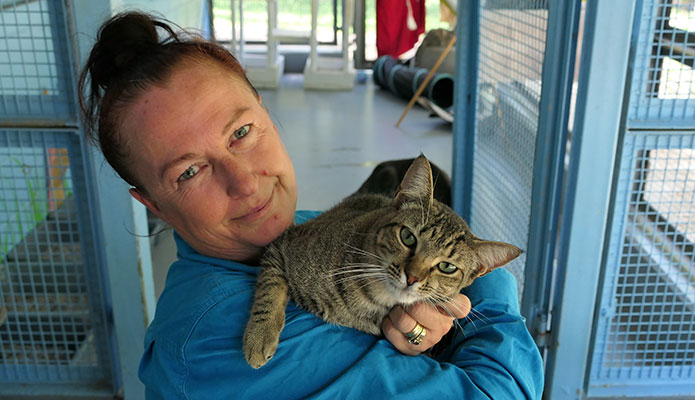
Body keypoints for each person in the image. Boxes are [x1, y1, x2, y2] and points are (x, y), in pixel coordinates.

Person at [78, 11, 544, 399]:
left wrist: (431, 322)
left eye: (241, 132)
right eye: (189, 171)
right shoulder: (214, 342)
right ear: (153, 206)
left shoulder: (276, 229)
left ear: (267, 114)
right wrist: (493, 285)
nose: (244, 184)